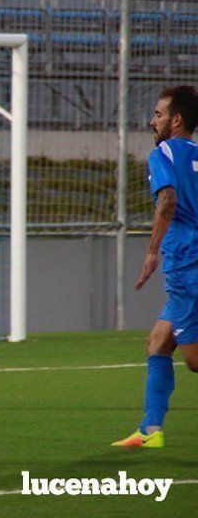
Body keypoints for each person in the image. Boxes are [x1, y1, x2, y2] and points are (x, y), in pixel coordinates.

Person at [112, 85, 198, 449]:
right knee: (158, 342)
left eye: (159, 114)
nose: (152, 121)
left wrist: (151, 250)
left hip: (187, 262)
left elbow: (167, 199)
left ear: (176, 120)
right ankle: (150, 430)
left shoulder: (162, 152)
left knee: (194, 360)